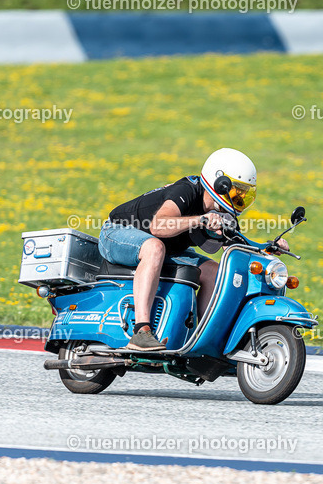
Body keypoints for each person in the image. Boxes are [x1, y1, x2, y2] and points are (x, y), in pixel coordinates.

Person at [98, 148, 288, 352]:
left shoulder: (223, 212)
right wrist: (200, 219)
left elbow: (236, 246)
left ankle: (201, 340)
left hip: (166, 248)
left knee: (215, 271)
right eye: (236, 191)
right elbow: (158, 226)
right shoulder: (186, 190)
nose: (239, 198)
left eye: (244, 194)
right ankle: (141, 332)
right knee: (154, 247)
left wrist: (269, 247)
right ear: (220, 183)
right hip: (117, 232)